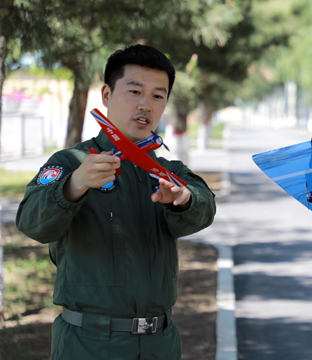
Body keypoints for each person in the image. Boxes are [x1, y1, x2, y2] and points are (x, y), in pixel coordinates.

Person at [16, 44, 216, 359]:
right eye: (134, 91)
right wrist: (75, 185)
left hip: (159, 344)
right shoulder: (72, 161)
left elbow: (205, 205)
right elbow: (31, 223)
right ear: (106, 95)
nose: (145, 105)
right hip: (89, 343)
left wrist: (183, 199)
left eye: (157, 96)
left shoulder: (167, 172)